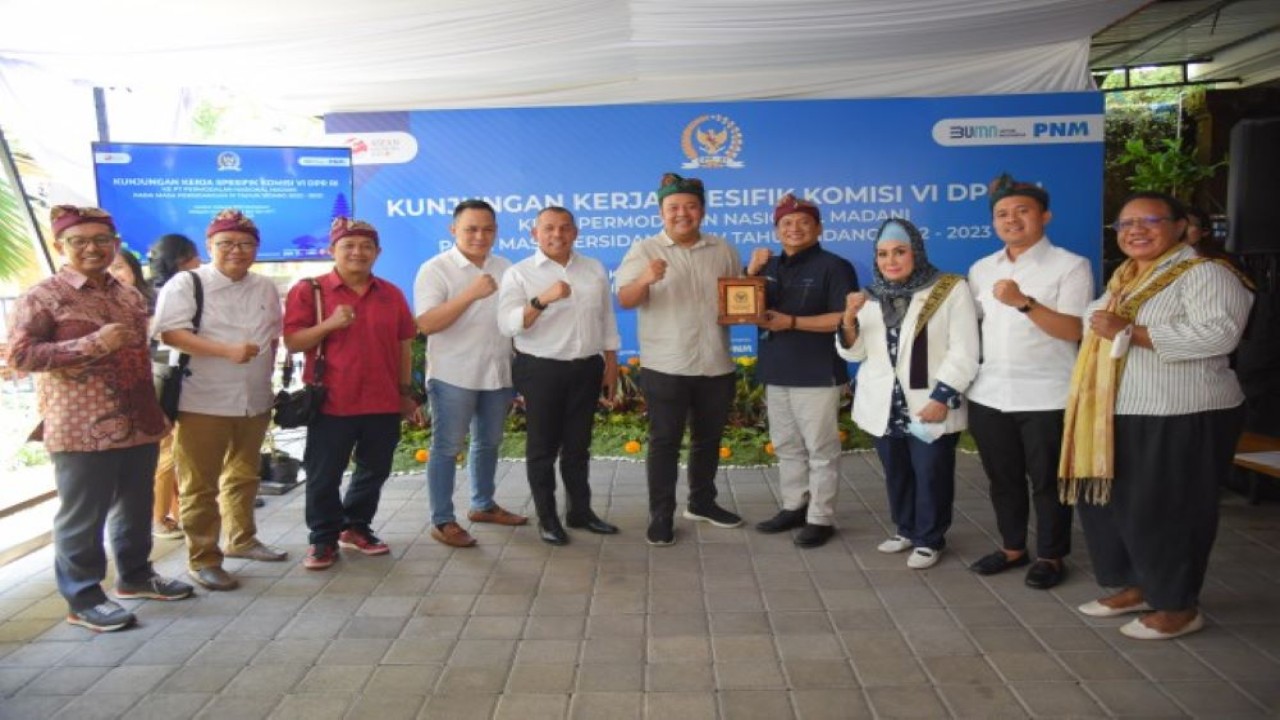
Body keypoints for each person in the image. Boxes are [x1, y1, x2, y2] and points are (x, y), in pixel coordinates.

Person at [1063, 191, 1253, 640]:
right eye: (1126, 225)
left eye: (1149, 220)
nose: (1135, 230)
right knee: (1122, 507)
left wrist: (1132, 331)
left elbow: (1219, 336)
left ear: (1180, 226)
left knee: (1170, 510)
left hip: (1181, 411)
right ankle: (1140, 586)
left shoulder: (1206, 272)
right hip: (1120, 410)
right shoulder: (1125, 278)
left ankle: (1179, 605)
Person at [6, 205, 193, 633]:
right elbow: (19, 356)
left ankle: (135, 576)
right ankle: (84, 596)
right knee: (82, 516)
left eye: (101, 241)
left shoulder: (127, 295)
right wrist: (93, 343)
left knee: (136, 505)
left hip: (139, 419)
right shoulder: (43, 296)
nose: (92, 248)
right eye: (79, 241)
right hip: (80, 426)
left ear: (115, 245)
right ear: (61, 247)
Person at [965, 173, 1093, 590]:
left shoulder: (1071, 265)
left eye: (1022, 211)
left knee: (1048, 483)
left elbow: (1074, 330)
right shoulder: (982, 269)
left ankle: (1052, 555)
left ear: (1045, 216)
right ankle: (1012, 547)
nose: (1011, 220)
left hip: (1046, 394)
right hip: (990, 394)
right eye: (1002, 213)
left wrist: (1024, 302)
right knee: (1002, 479)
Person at [153, 209, 287, 591]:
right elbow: (171, 334)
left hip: (255, 398)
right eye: (226, 243)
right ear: (210, 246)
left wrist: (271, 379)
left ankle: (242, 539)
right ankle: (203, 558)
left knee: (245, 475)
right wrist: (225, 351)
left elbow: (273, 337)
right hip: (202, 399)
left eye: (246, 244)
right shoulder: (187, 283)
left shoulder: (264, 286)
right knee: (199, 484)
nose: (236, 251)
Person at [836, 218, 979, 569]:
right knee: (896, 470)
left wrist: (941, 397)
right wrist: (848, 321)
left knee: (931, 472)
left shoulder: (949, 289)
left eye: (900, 252)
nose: (891, 261)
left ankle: (930, 539)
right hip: (884, 404)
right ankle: (906, 528)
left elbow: (965, 350)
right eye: (883, 254)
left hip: (930, 403)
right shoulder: (870, 296)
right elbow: (855, 354)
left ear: (916, 252)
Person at [616, 172, 745, 546]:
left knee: (708, 439)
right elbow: (625, 299)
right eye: (674, 208)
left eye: (690, 206)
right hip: (667, 364)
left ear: (702, 211)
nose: (682, 214)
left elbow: (737, 298)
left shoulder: (723, 249)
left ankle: (702, 503)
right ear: (661, 212)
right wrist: (645, 279)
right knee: (665, 441)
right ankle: (661, 515)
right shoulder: (644, 250)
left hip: (716, 362)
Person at [284, 218, 419, 568]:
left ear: (377, 253)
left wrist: (405, 392)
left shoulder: (391, 293)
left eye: (366, 247)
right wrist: (329, 324)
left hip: (382, 399)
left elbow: (404, 345)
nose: (358, 252)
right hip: (332, 399)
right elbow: (293, 341)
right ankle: (322, 538)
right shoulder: (310, 290)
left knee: (374, 470)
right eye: (349, 246)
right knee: (323, 473)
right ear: (332, 251)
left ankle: (356, 527)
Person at [498, 206, 621, 545]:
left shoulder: (593, 268)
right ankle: (548, 518)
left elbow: (606, 318)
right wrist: (542, 300)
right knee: (542, 448)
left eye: (565, 228)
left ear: (575, 233)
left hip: (586, 367)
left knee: (578, 446)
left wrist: (611, 359)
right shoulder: (519, 273)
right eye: (549, 228)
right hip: (541, 369)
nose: (557, 234)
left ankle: (580, 512)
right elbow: (508, 323)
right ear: (534, 234)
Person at [414, 199, 527, 548]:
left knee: (488, 443)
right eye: (471, 229)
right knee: (447, 447)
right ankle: (443, 520)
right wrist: (470, 294)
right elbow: (428, 323)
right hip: (453, 373)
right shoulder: (435, 269)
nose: (480, 236)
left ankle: (483, 505)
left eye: (488, 229)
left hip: (497, 372)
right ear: (453, 230)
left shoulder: (507, 266)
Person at [747, 194, 858, 548]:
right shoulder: (768, 265)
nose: (794, 229)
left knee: (821, 449)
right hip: (776, 369)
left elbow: (842, 318)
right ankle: (794, 505)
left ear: (818, 228)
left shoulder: (834, 266)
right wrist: (750, 273)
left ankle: (821, 517)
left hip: (816, 372)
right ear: (777, 230)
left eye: (802, 222)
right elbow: (740, 304)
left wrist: (792, 322)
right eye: (786, 224)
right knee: (786, 445)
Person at [146, 233, 201, 540]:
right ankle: (159, 516)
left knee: (175, 455)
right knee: (167, 454)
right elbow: (162, 352)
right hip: (165, 386)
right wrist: (182, 351)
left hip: (175, 381)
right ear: (181, 261)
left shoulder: (175, 290)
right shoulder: (163, 295)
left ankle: (177, 512)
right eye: (195, 258)